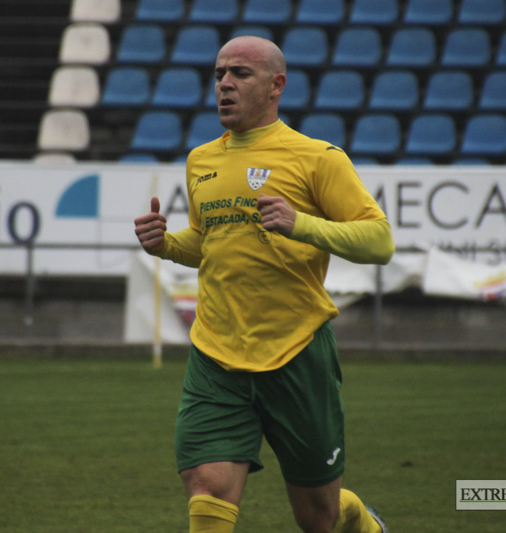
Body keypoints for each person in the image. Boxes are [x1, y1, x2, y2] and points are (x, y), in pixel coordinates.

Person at [134, 36, 394, 533]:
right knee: (208, 484)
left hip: (296, 352)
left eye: (240, 74)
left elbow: (379, 241)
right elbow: (208, 242)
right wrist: (166, 244)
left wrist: (303, 225)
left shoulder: (318, 158)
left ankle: (361, 520)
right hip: (216, 352)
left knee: (318, 517)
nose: (224, 84)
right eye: (218, 74)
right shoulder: (200, 160)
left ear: (276, 86)